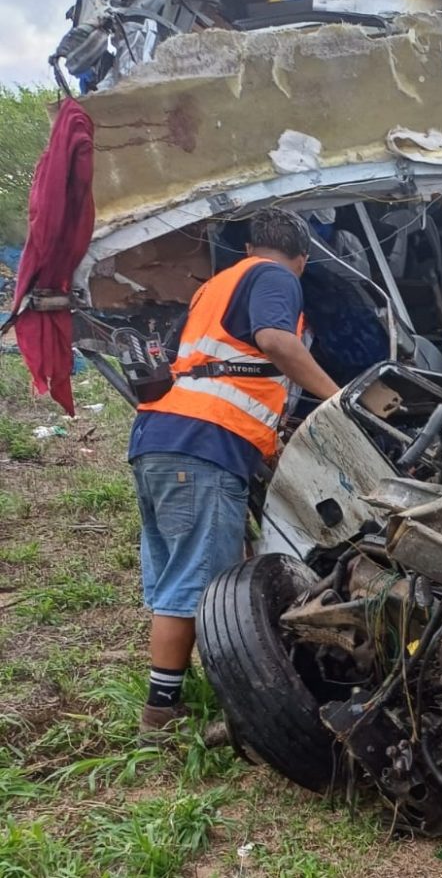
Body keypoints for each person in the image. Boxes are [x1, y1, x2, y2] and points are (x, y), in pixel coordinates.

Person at [128, 207, 340, 739]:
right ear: (302, 259)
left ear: (247, 247)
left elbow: (223, 364)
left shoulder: (215, 286)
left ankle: (164, 704)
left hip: (161, 440)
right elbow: (275, 340)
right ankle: (201, 712)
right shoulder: (273, 276)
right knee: (208, 586)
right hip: (203, 442)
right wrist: (340, 401)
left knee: (176, 577)